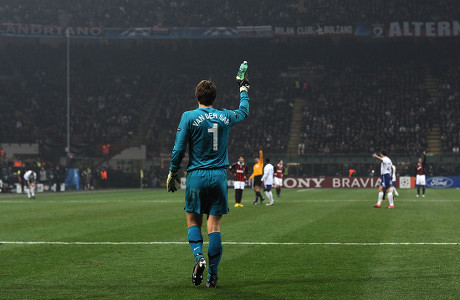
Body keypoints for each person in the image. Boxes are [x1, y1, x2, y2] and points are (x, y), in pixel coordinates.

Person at [166, 72, 250, 288]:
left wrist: (173, 171)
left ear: (197, 97)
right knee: (215, 227)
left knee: (193, 221)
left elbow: (179, 149)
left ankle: (198, 258)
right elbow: (244, 111)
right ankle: (213, 277)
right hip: (219, 177)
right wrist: (243, 89)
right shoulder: (224, 116)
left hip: (197, 176)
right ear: (215, 97)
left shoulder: (189, 116)